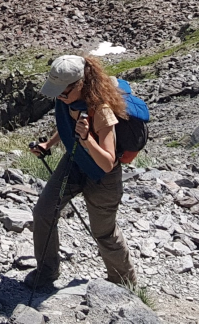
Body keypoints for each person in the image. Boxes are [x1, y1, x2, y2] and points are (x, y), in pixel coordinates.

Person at [26, 53, 136, 290]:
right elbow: (68, 125)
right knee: (43, 213)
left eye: (64, 92)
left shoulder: (102, 110)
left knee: (103, 232)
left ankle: (124, 284)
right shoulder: (66, 98)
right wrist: (49, 145)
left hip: (103, 179)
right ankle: (46, 272)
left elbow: (107, 163)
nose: (60, 97)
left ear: (80, 84)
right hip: (75, 161)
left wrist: (87, 140)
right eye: (57, 92)